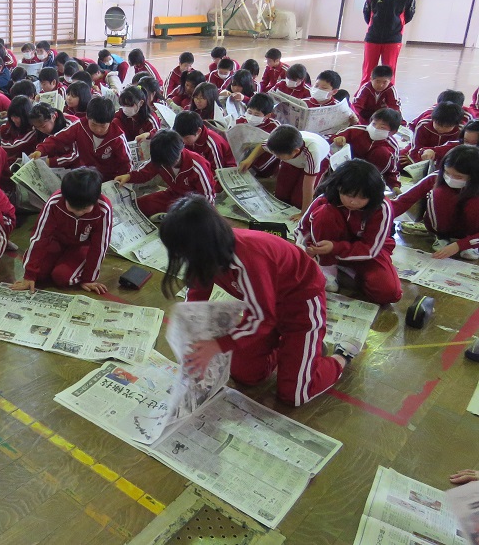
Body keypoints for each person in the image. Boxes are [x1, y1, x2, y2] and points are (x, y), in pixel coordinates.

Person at [161, 196, 356, 407]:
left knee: (294, 394)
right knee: (245, 373)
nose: (185, 259)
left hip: (301, 305)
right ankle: (295, 350)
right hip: (263, 306)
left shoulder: (249, 258)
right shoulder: (204, 257)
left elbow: (262, 319)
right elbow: (196, 297)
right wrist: (191, 333)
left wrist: (217, 344)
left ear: (204, 244)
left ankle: (341, 356)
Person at [297, 160, 400, 302]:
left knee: (389, 293)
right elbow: (302, 229)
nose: (354, 202)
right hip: (327, 254)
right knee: (324, 213)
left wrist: (335, 248)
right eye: (349, 195)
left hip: (365, 253)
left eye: (363, 197)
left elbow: (371, 249)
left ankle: (346, 271)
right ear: (339, 187)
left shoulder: (381, 207)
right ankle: (329, 271)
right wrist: (306, 248)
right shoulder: (326, 198)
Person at [13, 168, 112, 294]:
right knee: (39, 273)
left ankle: (67, 264)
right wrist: (30, 274)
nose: (78, 213)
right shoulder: (54, 202)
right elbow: (40, 237)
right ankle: (53, 263)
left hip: (81, 246)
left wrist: (88, 278)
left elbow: (99, 246)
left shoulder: (103, 209)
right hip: (56, 241)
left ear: (96, 199)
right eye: (72, 208)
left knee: (62, 277)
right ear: (64, 197)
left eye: (85, 209)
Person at [391, 145, 479, 260]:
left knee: (474, 204)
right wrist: (379, 216)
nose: (451, 179)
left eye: (458, 177)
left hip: (473, 233)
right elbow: (404, 200)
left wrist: (461, 245)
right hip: (443, 228)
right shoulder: (435, 177)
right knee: (438, 194)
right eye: (447, 173)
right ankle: (442, 237)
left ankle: (473, 244)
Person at [115, 130, 216, 217]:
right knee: (141, 204)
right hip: (173, 195)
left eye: (170, 162)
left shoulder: (198, 167)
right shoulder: (160, 158)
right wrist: (129, 177)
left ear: (181, 149)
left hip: (193, 204)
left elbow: (207, 198)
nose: (166, 166)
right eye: (163, 164)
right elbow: (146, 172)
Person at [29, 97, 131, 181]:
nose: (98, 130)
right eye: (93, 125)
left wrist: (123, 178)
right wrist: (40, 150)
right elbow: (57, 139)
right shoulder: (79, 126)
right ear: (87, 117)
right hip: (85, 174)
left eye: (103, 126)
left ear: (111, 121)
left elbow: (126, 163)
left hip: (109, 179)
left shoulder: (118, 137)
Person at [240, 124, 329, 214]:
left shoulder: (312, 154)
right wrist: (249, 160)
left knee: (298, 201)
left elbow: (308, 187)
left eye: (279, 155)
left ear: (295, 151)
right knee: (280, 195)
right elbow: (262, 146)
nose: (276, 156)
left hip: (317, 161)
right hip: (292, 160)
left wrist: (303, 213)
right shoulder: (279, 144)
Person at [361, 0, 415, 86]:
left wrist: (395, 25)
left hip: (393, 39)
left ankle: (388, 93)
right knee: (368, 69)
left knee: (389, 70)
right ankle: (364, 92)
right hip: (373, 37)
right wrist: (375, 26)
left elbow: (409, 15)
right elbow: (367, 13)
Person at [332, 108, 401, 189]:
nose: (376, 128)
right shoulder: (355, 131)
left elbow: (391, 171)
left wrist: (395, 186)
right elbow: (330, 139)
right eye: (374, 124)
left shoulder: (391, 146)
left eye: (382, 127)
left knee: (382, 152)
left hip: (367, 181)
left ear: (393, 132)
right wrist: (336, 139)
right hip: (341, 171)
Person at [0, 96, 39, 162]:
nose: (13, 119)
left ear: (25, 116)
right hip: (12, 157)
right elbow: (3, 131)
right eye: (11, 116)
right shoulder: (13, 123)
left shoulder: (33, 130)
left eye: (16, 117)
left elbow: (13, 147)